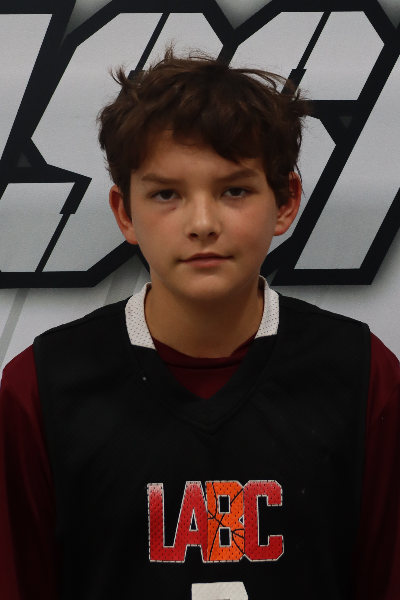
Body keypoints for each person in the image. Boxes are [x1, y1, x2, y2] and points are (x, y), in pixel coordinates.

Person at [1, 46, 399, 600]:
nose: (203, 223)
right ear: (125, 212)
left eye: (234, 190)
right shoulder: (39, 389)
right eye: (167, 193)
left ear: (286, 201)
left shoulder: (363, 376)